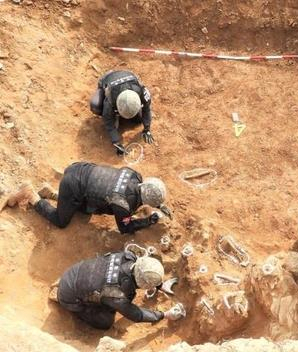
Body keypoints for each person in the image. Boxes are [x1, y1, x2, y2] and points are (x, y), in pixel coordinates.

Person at [6, 162, 171, 234]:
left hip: (79, 168)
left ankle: (53, 194)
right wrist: (148, 221)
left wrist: (159, 204)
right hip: (72, 185)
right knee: (60, 221)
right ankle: (30, 194)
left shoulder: (134, 174)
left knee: (87, 211)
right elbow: (125, 228)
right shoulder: (123, 204)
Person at [52, 251, 185, 330]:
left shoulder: (127, 256)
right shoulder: (117, 294)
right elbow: (136, 315)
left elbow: (142, 270)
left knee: (103, 295)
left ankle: (67, 286)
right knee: (106, 321)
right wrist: (164, 315)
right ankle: (73, 306)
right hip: (68, 296)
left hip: (74, 271)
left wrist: (159, 285)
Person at [89, 70, 155, 155]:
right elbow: (108, 122)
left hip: (127, 75)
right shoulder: (110, 99)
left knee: (138, 120)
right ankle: (103, 92)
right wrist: (116, 142)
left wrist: (147, 129)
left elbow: (147, 109)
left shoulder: (141, 90)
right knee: (95, 105)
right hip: (108, 78)